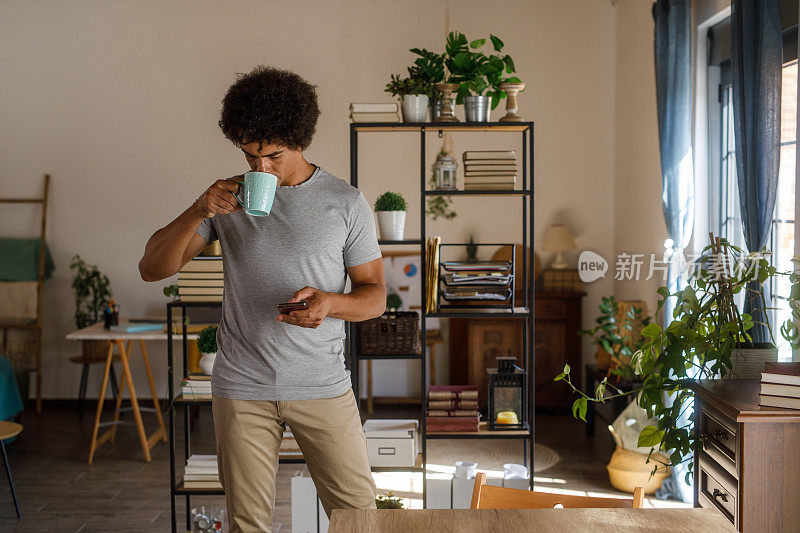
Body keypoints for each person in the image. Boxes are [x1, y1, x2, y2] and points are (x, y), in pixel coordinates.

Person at [138, 65, 384, 532]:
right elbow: (152, 268)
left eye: (272, 156)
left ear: (300, 139)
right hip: (242, 387)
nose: (260, 169)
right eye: (250, 157)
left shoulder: (345, 202)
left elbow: (374, 297)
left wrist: (330, 303)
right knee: (247, 525)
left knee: (360, 519)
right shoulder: (225, 200)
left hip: (322, 384)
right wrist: (197, 209)